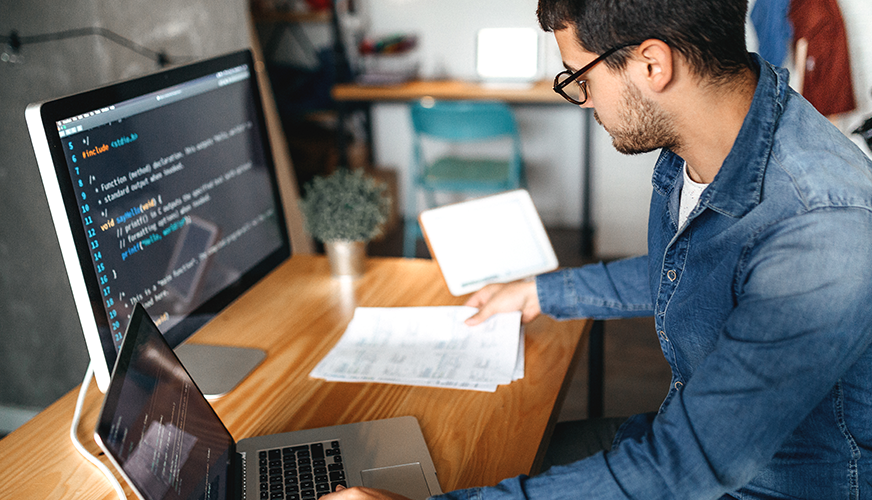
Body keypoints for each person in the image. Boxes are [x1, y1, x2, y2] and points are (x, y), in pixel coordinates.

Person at [329, 0, 872, 498]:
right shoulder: (712, 136)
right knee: (464, 462)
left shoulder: (821, 225)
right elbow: (686, 272)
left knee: (464, 470)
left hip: (761, 484)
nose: (581, 99)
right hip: (683, 439)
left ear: (653, 65)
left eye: (580, 79)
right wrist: (544, 291)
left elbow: (684, 466)